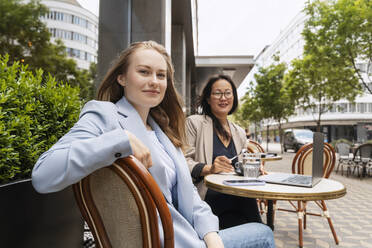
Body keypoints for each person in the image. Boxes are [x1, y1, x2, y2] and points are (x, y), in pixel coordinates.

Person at [32, 41, 274, 248]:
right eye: (144, 72)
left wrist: (212, 238)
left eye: (161, 75)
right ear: (122, 77)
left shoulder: (163, 131)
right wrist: (121, 141)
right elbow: (43, 175)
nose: (154, 81)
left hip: (192, 238)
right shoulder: (104, 114)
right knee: (262, 234)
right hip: (162, 241)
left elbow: (190, 196)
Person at [185, 74, 263, 229]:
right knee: (255, 226)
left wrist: (253, 168)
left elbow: (239, 167)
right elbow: (182, 162)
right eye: (217, 93)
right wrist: (210, 168)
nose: (223, 98)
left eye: (228, 93)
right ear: (208, 98)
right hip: (207, 197)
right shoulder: (195, 123)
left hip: (238, 194)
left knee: (256, 222)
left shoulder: (239, 132)